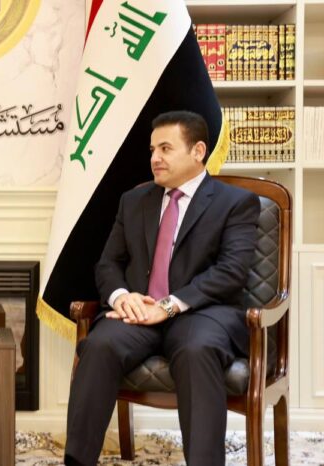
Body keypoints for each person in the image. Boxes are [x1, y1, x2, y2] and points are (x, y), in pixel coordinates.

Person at [64, 110, 260, 466]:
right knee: (99, 345)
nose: (155, 158)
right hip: (140, 312)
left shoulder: (235, 203)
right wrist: (122, 297)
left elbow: (231, 271)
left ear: (198, 151)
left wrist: (168, 306)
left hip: (202, 313)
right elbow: (108, 264)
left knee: (197, 350)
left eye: (166, 148)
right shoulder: (133, 201)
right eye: (152, 150)